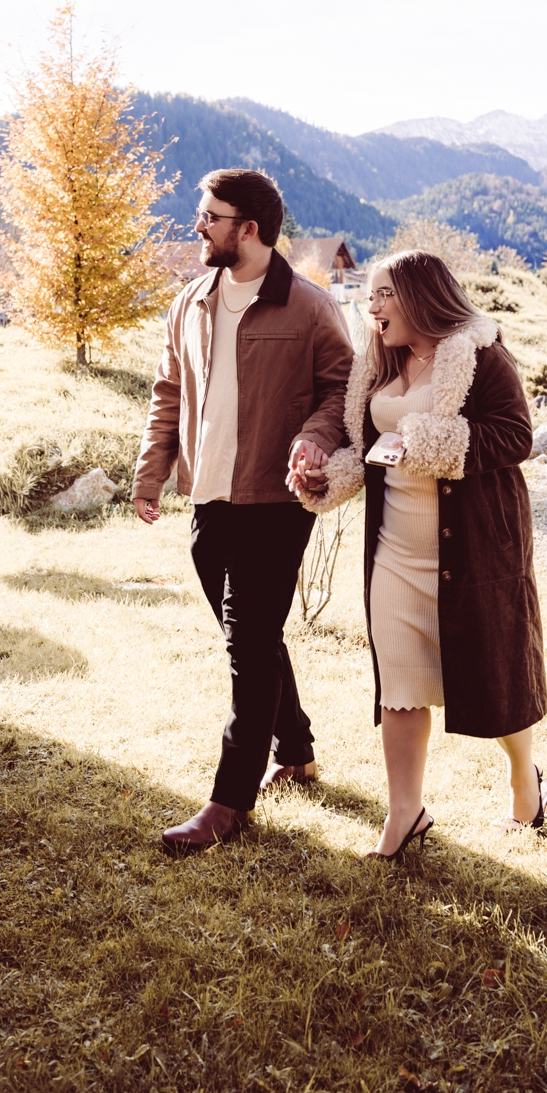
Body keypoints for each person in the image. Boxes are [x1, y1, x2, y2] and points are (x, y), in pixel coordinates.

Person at [291, 249, 547, 859]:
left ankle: (525, 778)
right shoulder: (377, 363)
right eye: (372, 295)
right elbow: (367, 449)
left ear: (421, 296)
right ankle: (404, 815)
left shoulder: (479, 354)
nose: (373, 306)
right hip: (393, 551)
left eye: (384, 294)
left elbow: (516, 435)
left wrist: (430, 441)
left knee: (493, 676)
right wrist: (323, 480)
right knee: (400, 686)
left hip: (474, 552)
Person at [132, 168, 354, 855]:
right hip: (208, 499)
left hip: (275, 502)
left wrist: (312, 441)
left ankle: (227, 804)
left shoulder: (310, 308)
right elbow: (168, 390)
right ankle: (297, 751)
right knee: (251, 639)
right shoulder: (191, 302)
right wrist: (150, 472)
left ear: (248, 228)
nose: (197, 225)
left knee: (247, 647)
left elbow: (341, 390)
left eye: (208, 216)